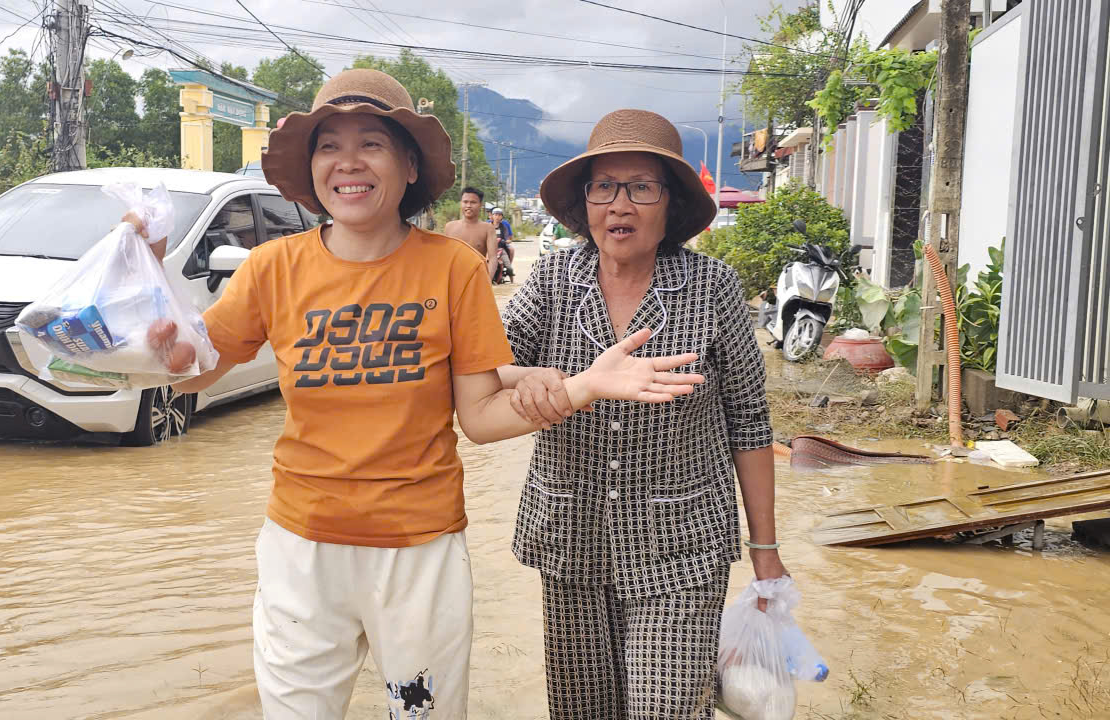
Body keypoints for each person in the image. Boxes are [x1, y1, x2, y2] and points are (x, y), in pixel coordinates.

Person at [124, 71, 706, 720]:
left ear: (407, 165)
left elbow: (480, 416)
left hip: (419, 553)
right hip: (301, 548)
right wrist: (157, 313)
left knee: (420, 712)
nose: (347, 162)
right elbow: (197, 368)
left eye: (371, 142)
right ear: (313, 168)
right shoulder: (273, 267)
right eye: (328, 145)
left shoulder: (451, 269)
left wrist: (583, 385)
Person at [497, 109, 786, 719]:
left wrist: (765, 548)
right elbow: (485, 368)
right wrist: (542, 381)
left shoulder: (713, 288)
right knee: (581, 711)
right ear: (586, 202)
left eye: (641, 188)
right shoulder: (553, 278)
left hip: (680, 547)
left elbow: (749, 422)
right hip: (571, 539)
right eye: (604, 187)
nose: (619, 205)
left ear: (670, 204)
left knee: (666, 710)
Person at [443, 185, 498, 281]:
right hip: (453, 280)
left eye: (473, 202)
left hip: (477, 279)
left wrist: (487, 281)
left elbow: (493, 258)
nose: (468, 205)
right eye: (465, 202)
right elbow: (443, 258)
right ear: (461, 203)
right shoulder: (449, 227)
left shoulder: (488, 229)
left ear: (480, 205)